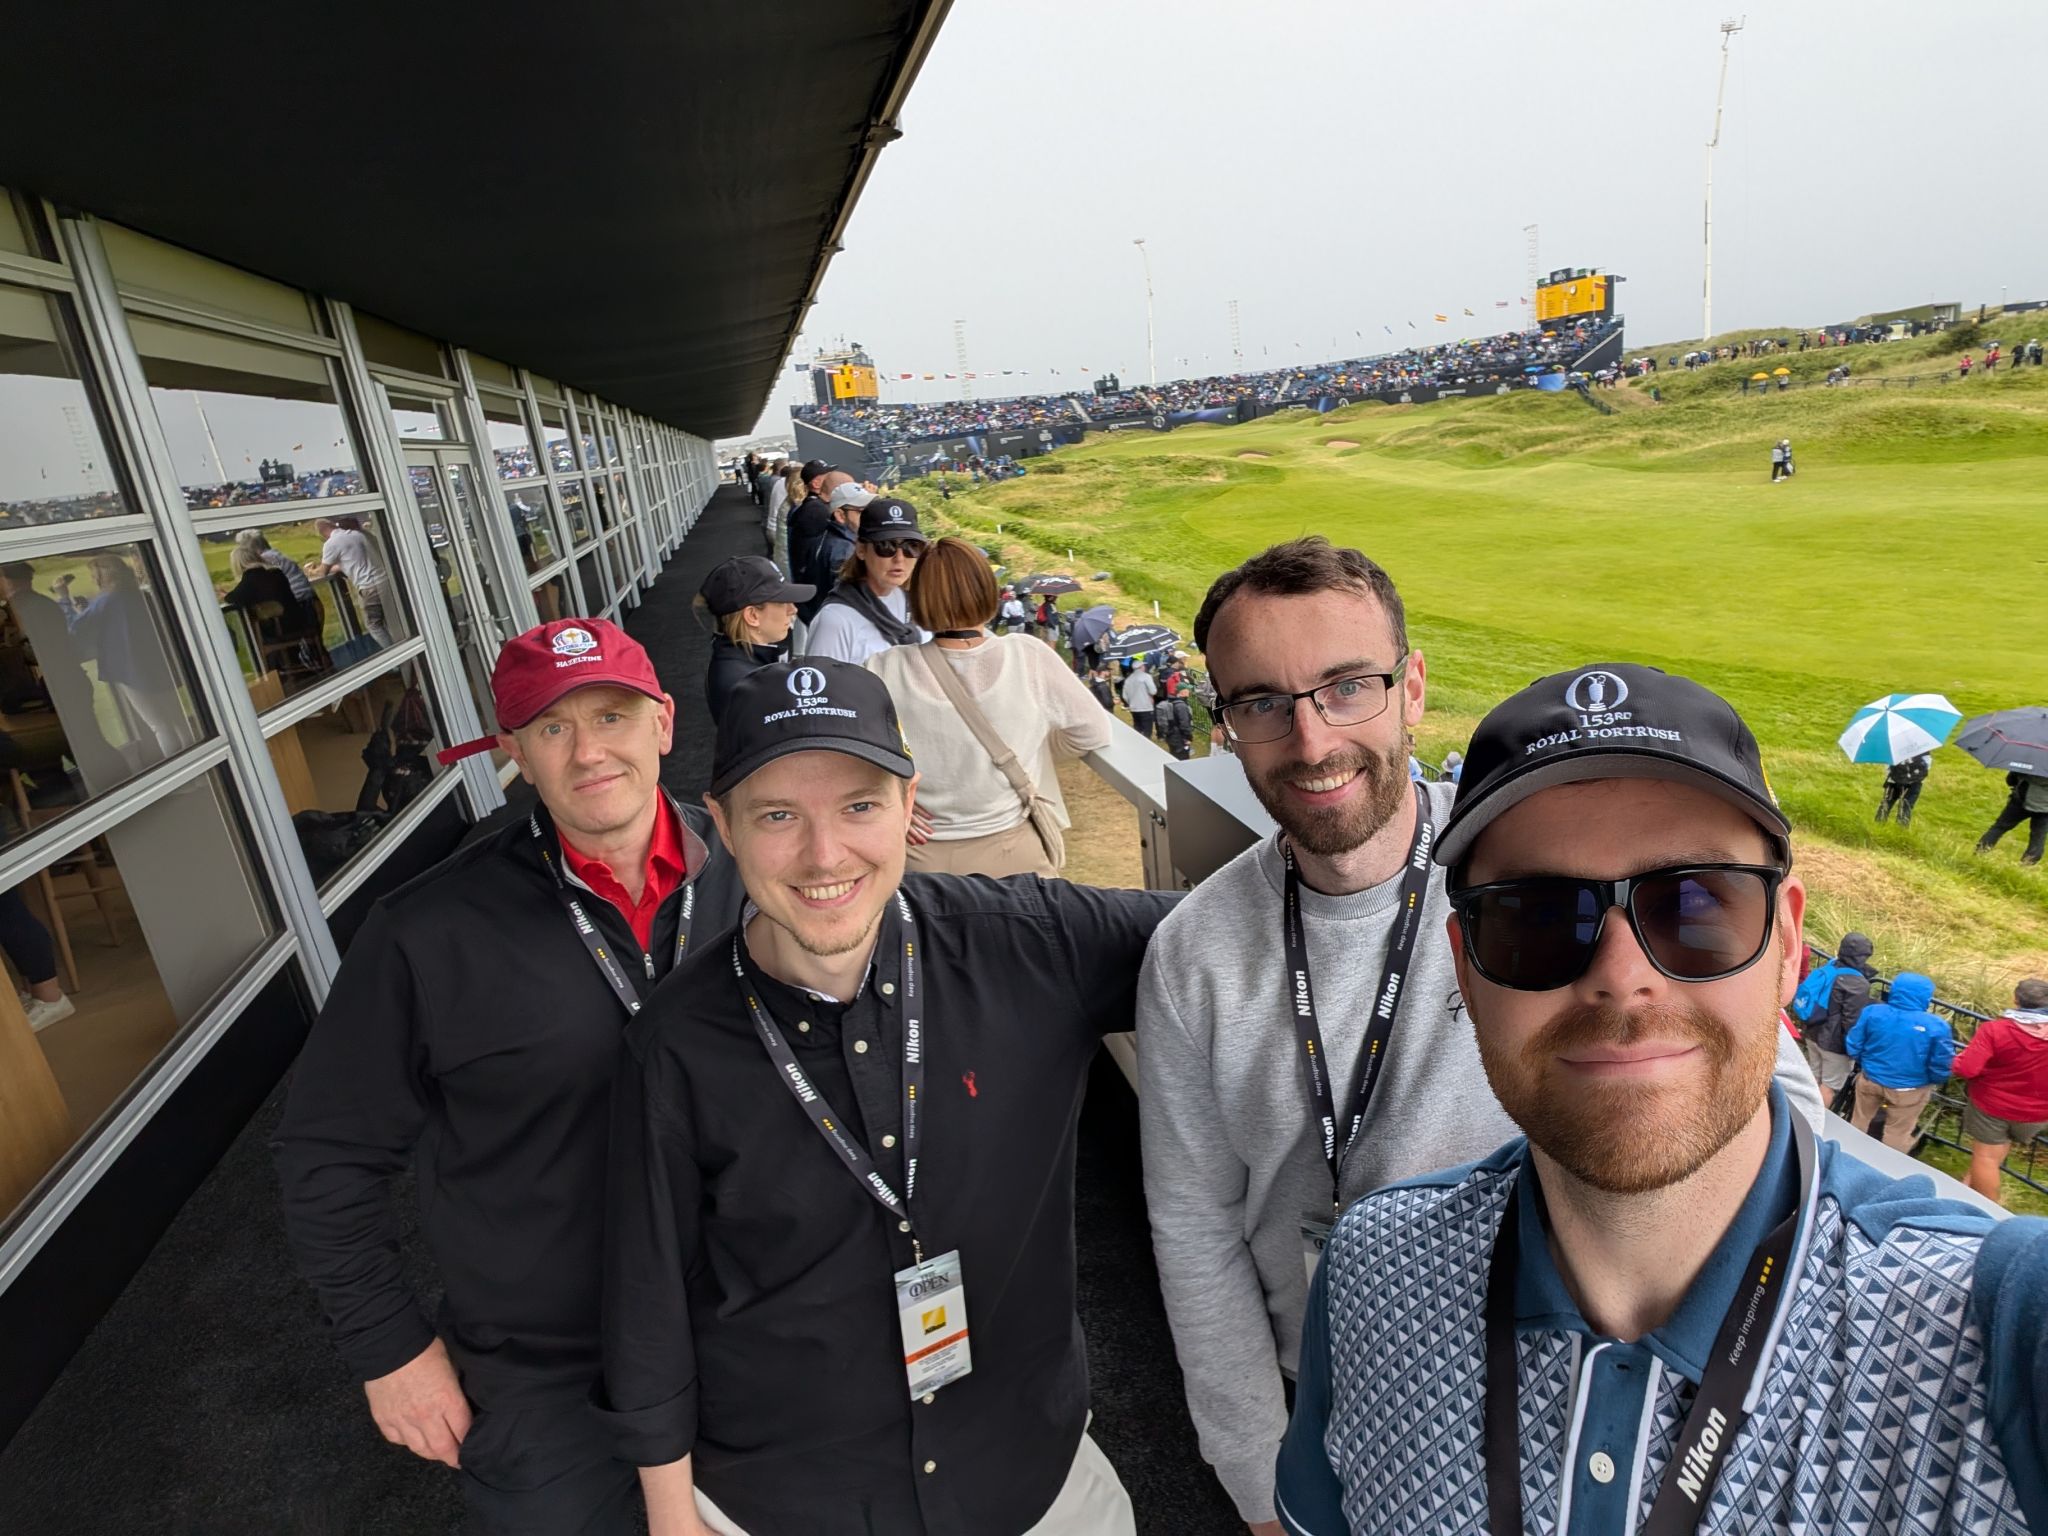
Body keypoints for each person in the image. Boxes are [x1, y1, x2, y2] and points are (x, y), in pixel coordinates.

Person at [1137, 545, 1821, 1536]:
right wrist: (1257, 1479)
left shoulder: (1540, 873)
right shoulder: (1190, 954)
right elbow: (1194, 1226)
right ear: (1225, 723)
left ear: (1411, 688)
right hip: (1329, 1397)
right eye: (1262, 702)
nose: (1311, 738)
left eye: (1346, 686)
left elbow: (1764, 1099)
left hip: (1600, 1393)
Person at [1274, 664, 2048, 1536]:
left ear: (1788, 945)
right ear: (1466, 967)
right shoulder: (1371, 1270)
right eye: (1538, 917)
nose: (1622, 978)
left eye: (1695, 904)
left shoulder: (1999, 1325)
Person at [600, 658, 1177, 1536]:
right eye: (778, 815)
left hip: (1030, 1475)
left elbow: (1242, 932)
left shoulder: (1031, 944)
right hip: (788, 1500)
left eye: (860, 806)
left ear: (911, 806)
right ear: (723, 827)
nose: (825, 855)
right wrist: (671, 1517)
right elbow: (646, 1300)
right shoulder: (671, 1043)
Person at [272, 617, 743, 1536]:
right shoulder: (425, 931)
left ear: (664, 723)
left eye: (611, 716)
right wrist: (391, 1350)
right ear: (514, 752)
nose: (588, 751)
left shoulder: (758, 874)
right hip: (549, 1359)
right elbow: (326, 1151)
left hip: (750, 1317)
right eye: (552, 727)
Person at [866, 537, 1108, 877]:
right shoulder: (1027, 655)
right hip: (1012, 849)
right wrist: (1030, 746)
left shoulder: (883, 667)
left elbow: (853, 756)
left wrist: (892, 794)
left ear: (917, 596)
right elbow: (1092, 732)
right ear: (987, 591)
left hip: (919, 854)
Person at [0, 561, 129, 793]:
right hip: (67, 682)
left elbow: (36, 652)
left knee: (81, 746)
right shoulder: (43, 603)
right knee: (86, 743)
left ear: (7, 580)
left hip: (53, 689)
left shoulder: (18, 609)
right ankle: (121, 787)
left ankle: (120, 789)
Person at [65, 552, 193, 767]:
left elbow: (76, 629)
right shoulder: (141, 596)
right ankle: (197, 765)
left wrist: (63, 598)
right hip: (159, 664)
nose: (92, 579)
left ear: (101, 576)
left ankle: (183, 772)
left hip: (129, 670)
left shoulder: (105, 601)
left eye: (93, 574)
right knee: (178, 721)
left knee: (159, 725)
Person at [1952, 977, 2048, 1204]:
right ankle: (1970, 1183)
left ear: (2016, 1000)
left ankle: (1987, 1210)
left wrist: (1953, 1061)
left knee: (1985, 1156)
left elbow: (1967, 1068)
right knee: (1996, 1150)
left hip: (1992, 1106)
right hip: (2036, 1112)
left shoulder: (1996, 1030)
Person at [803, 497, 931, 665]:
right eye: (886, 546)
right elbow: (822, 679)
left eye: (911, 547)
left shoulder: (917, 601)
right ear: (861, 550)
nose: (899, 558)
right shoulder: (835, 620)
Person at [1846, 970, 1955, 1151]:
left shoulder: (1872, 1012)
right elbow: (1941, 1062)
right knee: (1897, 1133)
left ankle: (1847, 1152)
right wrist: (1932, 1080)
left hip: (1871, 1079)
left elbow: (1854, 1043)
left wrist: (1866, 1063)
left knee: (1859, 1121)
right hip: (1910, 1089)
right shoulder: (1936, 1026)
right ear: (1926, 997)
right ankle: (1886, 1164)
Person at [698, 556, 813, 727]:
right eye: (782, 602)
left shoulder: (740, 662)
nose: (793, 609)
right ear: (752, 616)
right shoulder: (750, 686)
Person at [1791, 930, 1875, 1101]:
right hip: (1834, 1044)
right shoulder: (1857, 984)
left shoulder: (1829, 967)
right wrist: (1854, 1049)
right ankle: (1813, 1117)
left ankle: (1796, 1110)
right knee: (1829, 1087)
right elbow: (1852, 1022)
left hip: (1812, 1033)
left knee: (1813, 1078)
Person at [305, 515, 394, 648]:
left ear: (322, 532)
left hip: (369, 586)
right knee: (389, 619)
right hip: (385, 580)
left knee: (373, 625)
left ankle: (395, 653)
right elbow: (348, 563)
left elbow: (322, 572)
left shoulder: (331, 543)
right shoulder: (357, 535)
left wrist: (310, 571)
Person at [1976, 771, 2048, 865]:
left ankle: (1980, 853)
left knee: (1999, 827)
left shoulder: (2032, 764)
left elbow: (2010, 780)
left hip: (2020, 802)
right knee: (2038, 837)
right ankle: (2027, 865)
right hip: (2045, 809)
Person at [784, 460, 837, 588]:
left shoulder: (811, 506)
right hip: (816, 582)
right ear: (816, 483)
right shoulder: (816, 510)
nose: (833, 479)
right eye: (828, 476)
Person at [1877, 751, 1930, 825]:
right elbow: (1927, 763)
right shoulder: (1921, 747)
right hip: (1907, 780)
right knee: (1894, 804)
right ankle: (1895, 826)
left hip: (1901, 779)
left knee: (1896, 804)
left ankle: (1884, 824)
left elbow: (1889, 764)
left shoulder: (1894, 747)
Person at [1120, 661, 1157, 739]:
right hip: (1146, 707)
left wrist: (1131, 702)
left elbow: (1124, 696)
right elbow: (1153, 691)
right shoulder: (1146, 677)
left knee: (1137, 728)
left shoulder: (1128, 679)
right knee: (1147, 730)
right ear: (1141, 667)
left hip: (1134, 708)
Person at [1158, 690, 1195, 760]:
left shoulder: (1170, 702)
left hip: (1170, 735)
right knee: (1182, 758)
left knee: (1174, 756)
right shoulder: (1181, 706)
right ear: (1181, 692)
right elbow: (1184, 724)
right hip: (1179, 737)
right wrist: (1189, 737)